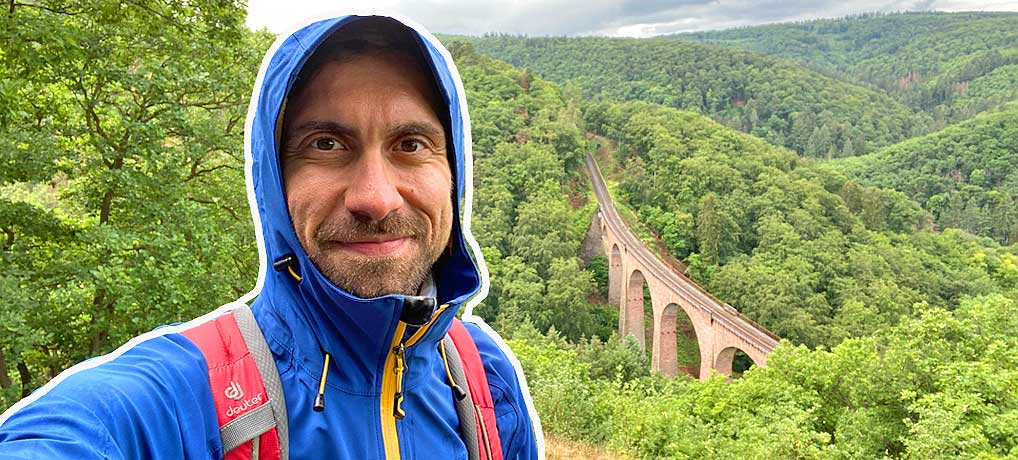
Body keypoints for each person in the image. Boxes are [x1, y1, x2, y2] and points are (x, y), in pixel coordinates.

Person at [0, 13, 542, 460]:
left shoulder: (484, 386)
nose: (376, 198)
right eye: (327, 144)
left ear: (454, 175)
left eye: (411, 144)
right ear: (274, 184)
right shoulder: (191, 395)